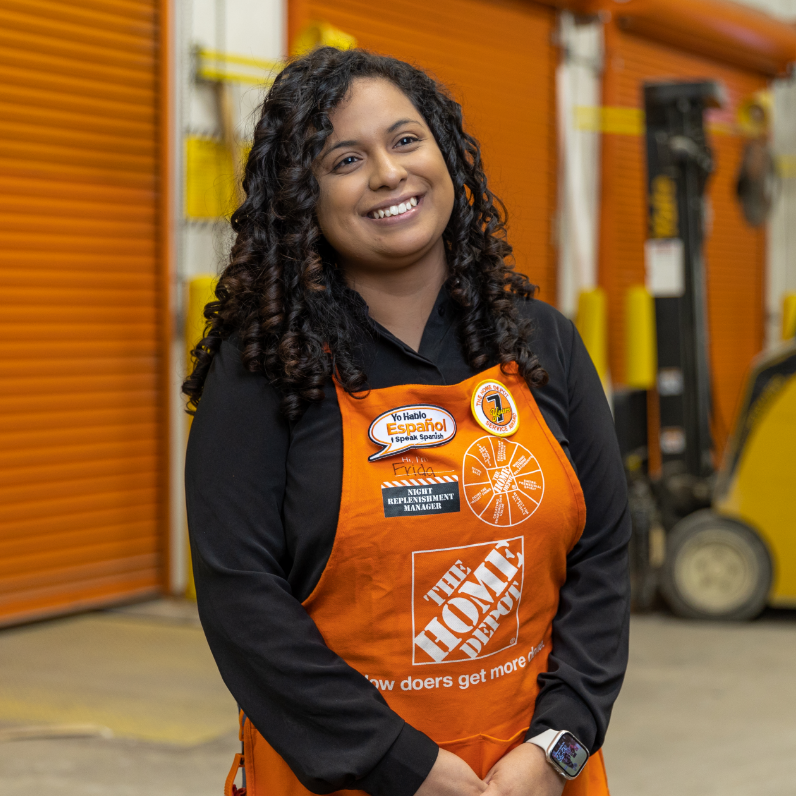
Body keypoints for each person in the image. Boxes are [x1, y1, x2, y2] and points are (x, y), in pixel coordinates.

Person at [184, 47, 630, 796]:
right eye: (345, 159)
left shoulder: (541, 341)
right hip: (345, 776)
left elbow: (605, 555)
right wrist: (401, 763)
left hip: (534, 777)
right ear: (304, 195)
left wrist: (558, 745)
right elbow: (240, 597)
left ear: (446, 154)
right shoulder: (266, 368)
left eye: (405, 140)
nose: (388, 174)